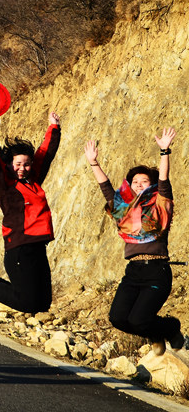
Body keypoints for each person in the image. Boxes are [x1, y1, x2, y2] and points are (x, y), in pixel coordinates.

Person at [84, 129, 184, 354]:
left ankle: (171, 328)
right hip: (133, 271)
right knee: (118, 318)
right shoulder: (124, 210)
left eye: (144, 180)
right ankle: (156, 332)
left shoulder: (160, 204)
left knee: (139, 320)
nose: (139, 184)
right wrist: (93, 162)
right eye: (135, 181)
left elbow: (164, 180)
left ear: (151, 185)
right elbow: (106, 189)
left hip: (157, 270)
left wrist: (164, 151)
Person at [0, 111, 61, 313]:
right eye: (18, 164)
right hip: (19, 247)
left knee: (43, 304)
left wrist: (53, 128)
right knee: (27, 303)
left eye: (27, 164)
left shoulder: (33, 181)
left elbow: (45, 155)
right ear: (9, 164)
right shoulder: (4, 184)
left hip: (38, 247)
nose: (23, 168)